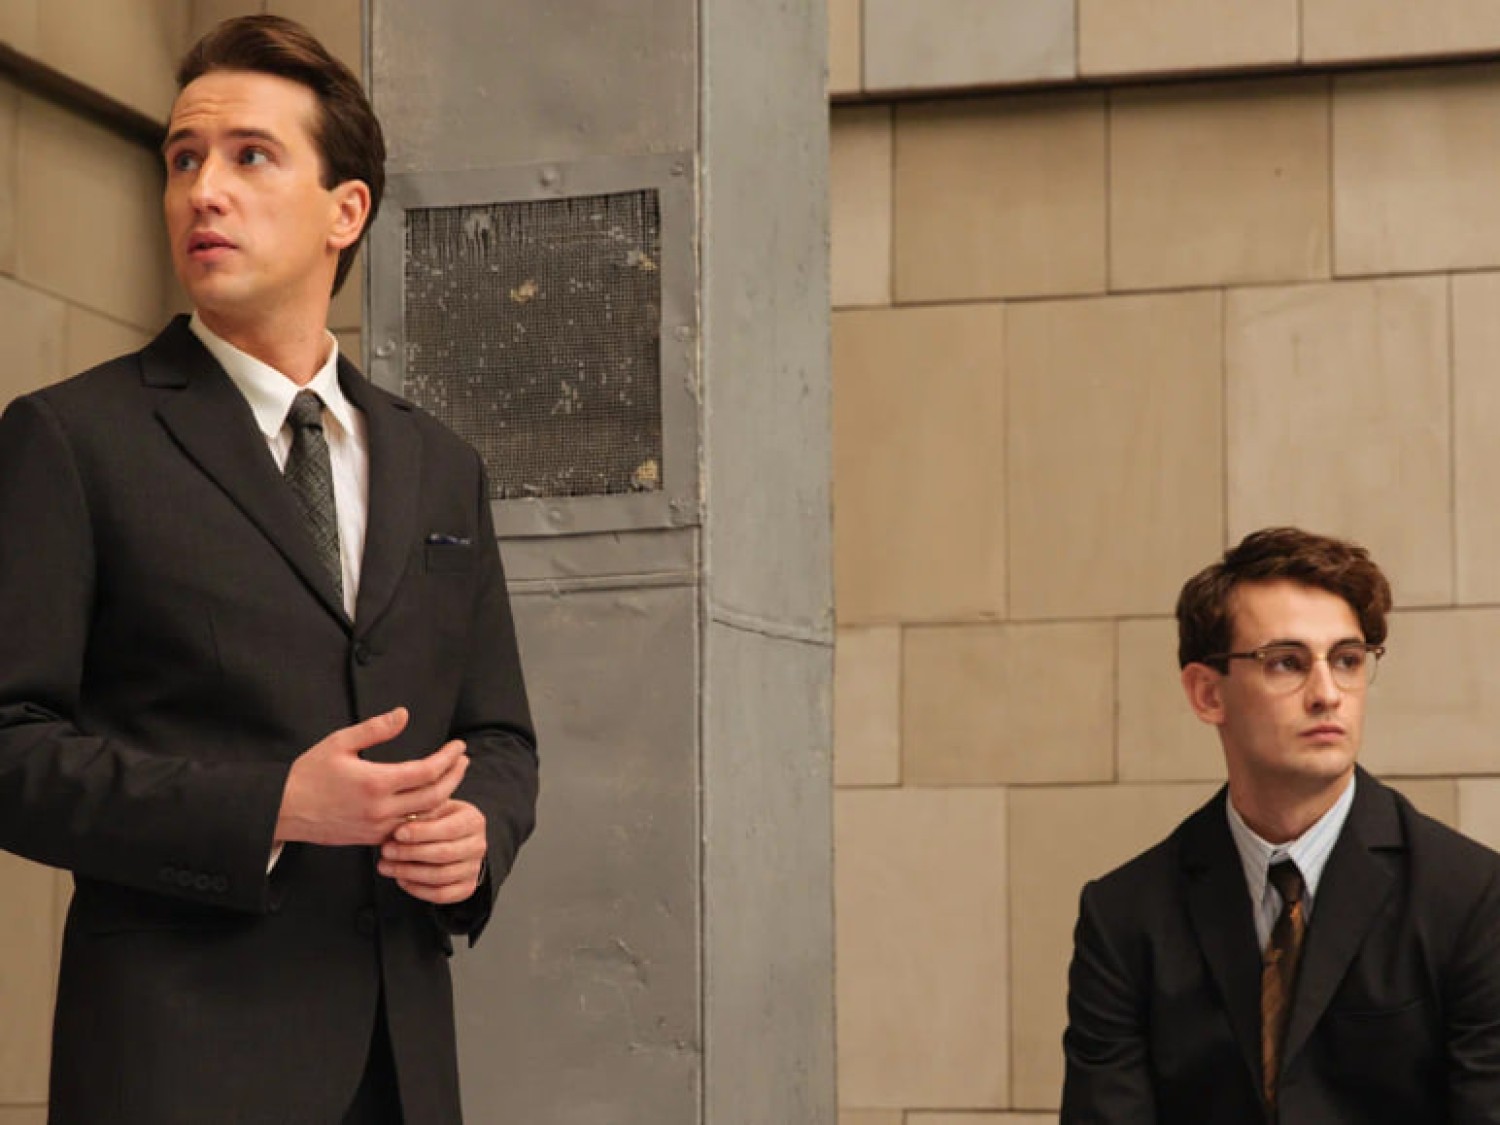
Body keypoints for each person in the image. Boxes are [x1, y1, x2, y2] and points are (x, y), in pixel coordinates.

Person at [0, 15, 537, 1124]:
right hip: (176, 1070)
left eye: (251, 156)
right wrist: (271, 807)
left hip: (401, 1066)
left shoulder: (441, 468)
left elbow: (498, 735)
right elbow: (10, 748)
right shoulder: (71, 440)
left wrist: (478, 832)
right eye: (183, 159)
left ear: (347, 211)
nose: (204, 191)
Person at [1060, 527, 1500, 1123]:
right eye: (1286, 662)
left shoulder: (1471, 898)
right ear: (1207, 694)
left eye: (1347, 660)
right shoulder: (1124, 916)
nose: (1327, 693)